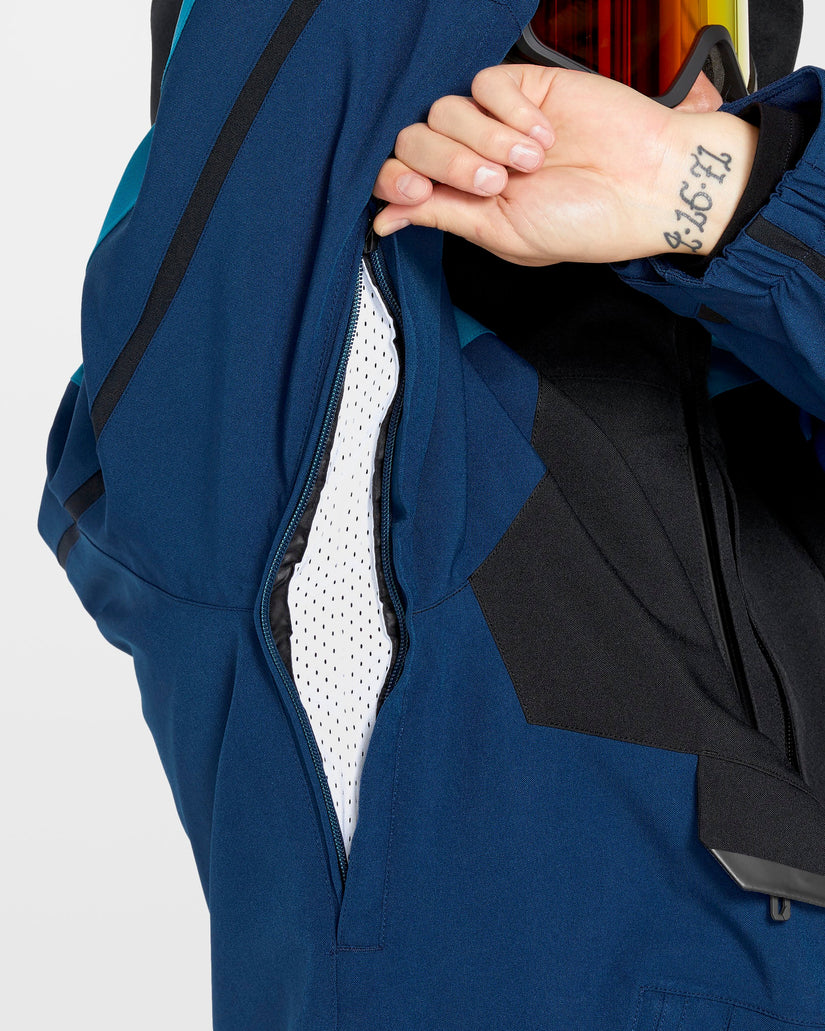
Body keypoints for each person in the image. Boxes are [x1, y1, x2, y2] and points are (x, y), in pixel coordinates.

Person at [38, 0, 825, 1027]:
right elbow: (306, 95)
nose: (705, 80)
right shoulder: (297, 448)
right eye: (618, 24)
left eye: (712, 21)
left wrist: (710, 188)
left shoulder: (780, 412)